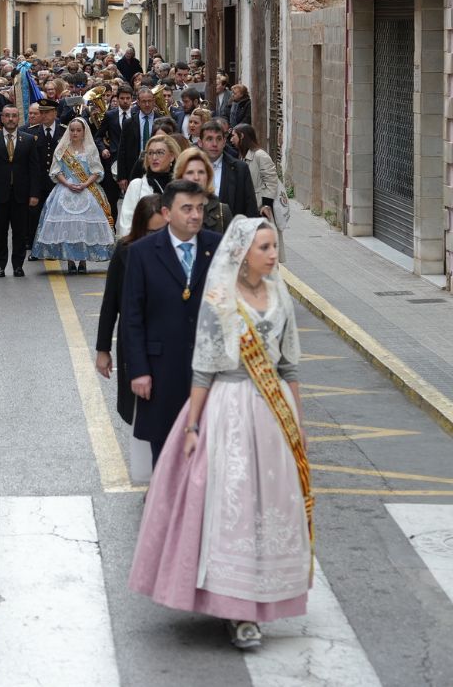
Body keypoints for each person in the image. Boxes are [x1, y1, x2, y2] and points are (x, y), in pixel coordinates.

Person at [130, 217, 310, 651]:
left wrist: (298, 426)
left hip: (272, 414)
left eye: (274, 247)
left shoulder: (279, 292)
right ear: (243, 253)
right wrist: (192, 425)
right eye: (265, 247)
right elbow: (204, 367)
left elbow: (289, 366)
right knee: (232, 507)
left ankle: (257, 596)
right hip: (228, 409)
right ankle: (235, 609)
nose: (273, 254)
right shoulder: (220, 296)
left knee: (267, 508)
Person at [120, 179, 222, 466]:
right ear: (167, 213)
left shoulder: (217, 248)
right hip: (161, 372)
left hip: (208, 371)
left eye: (200, 208)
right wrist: (138, 371)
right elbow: (132, 317)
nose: (195, 215)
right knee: (165, 457)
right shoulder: (142, 252)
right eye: (187, 208)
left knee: (207, 454)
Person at [96, 194, 166, 479]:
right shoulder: (125, 251)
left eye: (162, 231)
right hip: (134, 342)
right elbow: (110, 302)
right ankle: (150, 472)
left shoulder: (175, 252)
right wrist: (103, 349)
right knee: (139, 409)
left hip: (166, 344)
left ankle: (163, 474)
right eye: (151, 231)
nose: (156, 238)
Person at [31, 117, 116, 274]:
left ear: (84, 132)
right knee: (67, 226)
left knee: (83, 225)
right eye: (72, 130)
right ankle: (70, 260)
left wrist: (85, 184)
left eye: (78, 130)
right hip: (65, 190)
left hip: (87, 190)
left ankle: (83, 260)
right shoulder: (62, 149)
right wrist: (68, 184)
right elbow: (56, 171)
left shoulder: (90, 149)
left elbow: (97, 171)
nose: (75, 133)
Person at [0, 105, 43, 277]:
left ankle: (18, 265)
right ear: (2, 118)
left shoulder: (29, 140)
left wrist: (34, 194)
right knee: (0, 232)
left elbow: (34, 169)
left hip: (21, 195)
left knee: (20, 233)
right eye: (7, 116)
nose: (11, 119)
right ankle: (0, 265)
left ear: (18, 119)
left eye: (14, 116)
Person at [116, 134, 180, 237]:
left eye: (160, 153)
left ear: (172, 156)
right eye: (150, 153)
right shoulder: (137, 185)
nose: (154, 157)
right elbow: (126, 225)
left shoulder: (180, 185)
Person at [198, 119, 259, 219]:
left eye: (218, 139)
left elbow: (250, 207)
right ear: (200, 143)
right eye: (209, 139)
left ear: (224, 142)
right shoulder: (191, 168)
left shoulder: (239, 169)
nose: (214, 144)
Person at [25, 98, 60, 257]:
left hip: (58, 182)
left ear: (55, 113)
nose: (44, 116)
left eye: (48, 112)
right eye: (42, 112)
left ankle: (55, 247)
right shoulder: (31, 133)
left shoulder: (64, 131)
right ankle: (35, 249)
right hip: (37, 182)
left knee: (56, 216)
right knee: (34, 216)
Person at [174, 147, 233, 234]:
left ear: (208, 176)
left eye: (201, 172)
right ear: (180, 176)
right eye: (190, 172)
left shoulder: (222, 211)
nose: (196, 178)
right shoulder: (171, 209)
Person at [117, 87, 159, 191]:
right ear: (138, 103)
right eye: (144, 101)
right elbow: (122, 150)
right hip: (135, 168)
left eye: (150, 101)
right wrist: (122, 176)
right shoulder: (129, 123)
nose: (147, 104)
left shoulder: (161, 120)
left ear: (154, 101)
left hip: (157, 167)